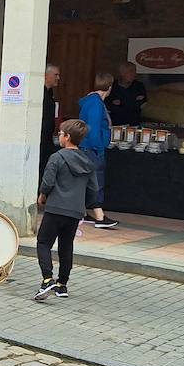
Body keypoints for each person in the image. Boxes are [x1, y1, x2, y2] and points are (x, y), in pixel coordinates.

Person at [35, 118, 112, 300]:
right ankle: (62, 285)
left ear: (67, 137)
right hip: (75, 211)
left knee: (43, 243)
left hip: (55, 208)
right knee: (66, 246)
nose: (59, 136)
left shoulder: (57, 157)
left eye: (61, 133)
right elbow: (93, 189)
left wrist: (42, 196)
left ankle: (47, 279)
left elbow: (48, 182)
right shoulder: (87, 161)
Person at [77, 73, 118, 229]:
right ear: (109, 87)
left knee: (86, 181)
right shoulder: (96, 103)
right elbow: (92, 129)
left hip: (86, 147)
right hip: (92, 149)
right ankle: (99, 217)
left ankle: (81, 212)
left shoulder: (90, 101)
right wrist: (99, 147)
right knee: (96, 181)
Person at [108, 61, 148, 127]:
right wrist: (132, 102)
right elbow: (109, 106)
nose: (134, 74)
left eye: (135, 71)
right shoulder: (112, 86)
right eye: (131, 71)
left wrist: (121, 104)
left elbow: (142, 104)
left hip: (134, 125)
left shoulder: (139, 86)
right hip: (116, 125)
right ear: (122, 73)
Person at [41, 64, 61, 174]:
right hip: (40, 138)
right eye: (56, 75)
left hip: (48, 138)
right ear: (46, 75)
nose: (58, 78)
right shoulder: (39, 93)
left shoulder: (50, 93)